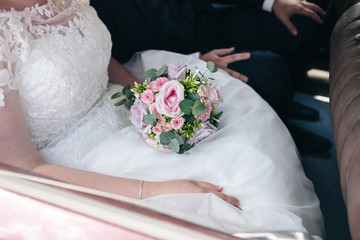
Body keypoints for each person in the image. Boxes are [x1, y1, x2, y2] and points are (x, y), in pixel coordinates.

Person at [0, 0, 324, 238]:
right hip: (74, 163)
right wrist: (156, 190)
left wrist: (150, 100)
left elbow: (95, 55)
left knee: (246, 151)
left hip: (123, 109)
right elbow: (26, 169)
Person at [90, 0, 332, 153]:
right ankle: (283, 129)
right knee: (271, 71)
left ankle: (287, 104)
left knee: (303, 21)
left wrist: (271, 3)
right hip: (170, 56)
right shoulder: (92, 7)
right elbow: (118, 59)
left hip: (206, 22)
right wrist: (195, 61)